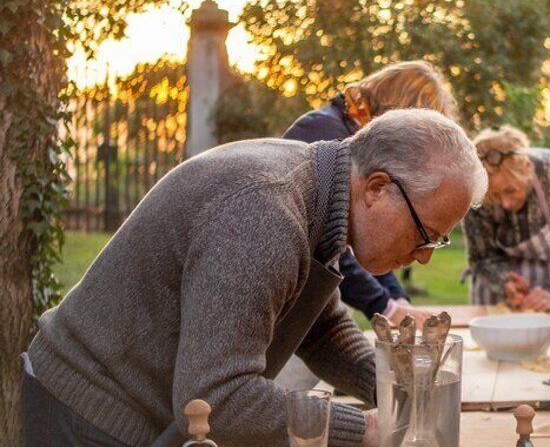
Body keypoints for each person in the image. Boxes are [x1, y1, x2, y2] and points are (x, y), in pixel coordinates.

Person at [22, 109, 488, 447]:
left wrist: (394, 387)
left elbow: (322, 327)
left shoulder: (317, 191)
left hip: (125, 407)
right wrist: (361, 429)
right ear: (377, 188)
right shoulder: (265, 212)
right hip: (88, 412)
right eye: (427, 234)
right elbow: (216, 398)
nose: (425, 257)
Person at [284, 60, 456, 326]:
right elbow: (329, 249)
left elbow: (374, 240)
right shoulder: (327, 136)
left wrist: (399, 300)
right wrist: (385, 307)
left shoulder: (356, 140)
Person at [461, 126, 550, 311]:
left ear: (527, 168)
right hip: (499, 286)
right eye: (494, 195)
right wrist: (505, 283)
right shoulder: (474, 191)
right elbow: (481, 257)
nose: (505, 204)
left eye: (510, 190)